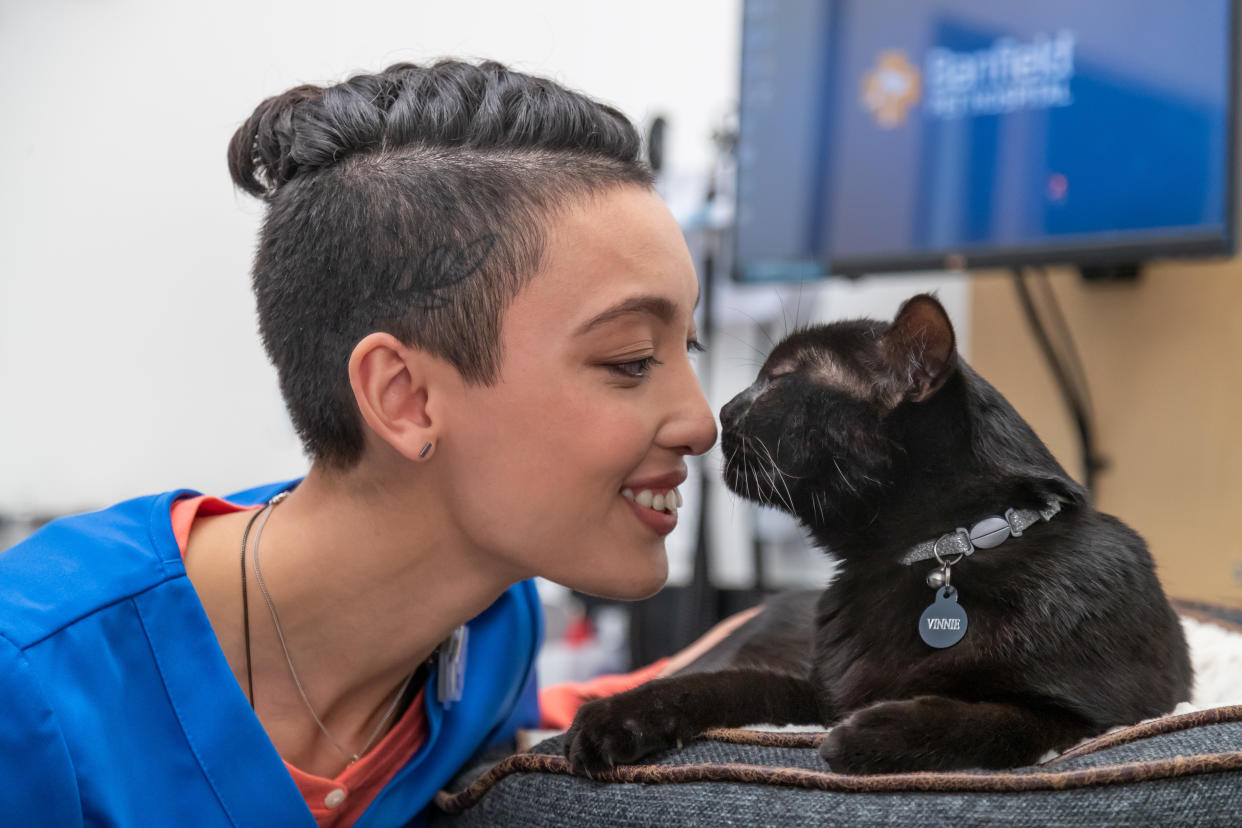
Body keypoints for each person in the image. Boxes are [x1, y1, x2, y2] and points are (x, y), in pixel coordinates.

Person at [0, 59, 717, 827]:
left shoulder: (493, 633)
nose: (702, 424)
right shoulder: (32, 684)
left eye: (690, 350)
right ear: (402, 398)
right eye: (631, 361)